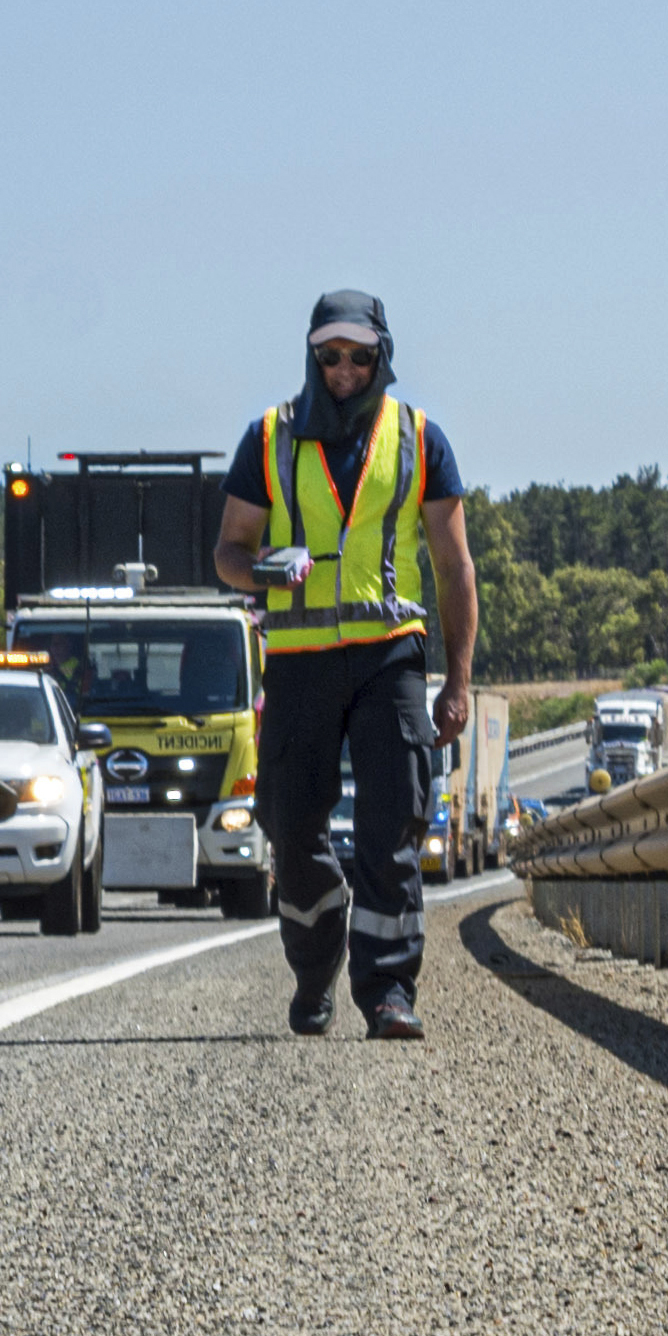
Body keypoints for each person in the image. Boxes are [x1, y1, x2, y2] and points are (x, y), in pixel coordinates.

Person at [214, 291, 477, 1042]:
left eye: (359, 355)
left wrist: (455, 682)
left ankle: (388, 987)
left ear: (381, 356)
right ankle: (314, 960)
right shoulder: (266, 438)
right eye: (329, 355)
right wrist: (263, 569)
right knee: (290, 828)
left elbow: (455, 571)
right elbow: (227, 553)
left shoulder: (421, 440)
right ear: (310, 354)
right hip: (296, 660)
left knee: (393, 815)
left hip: (388, 655)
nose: (343, 368)